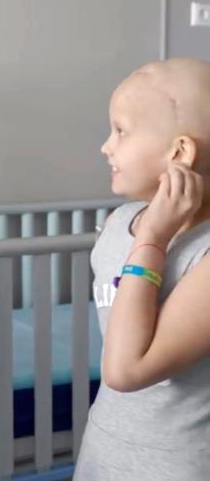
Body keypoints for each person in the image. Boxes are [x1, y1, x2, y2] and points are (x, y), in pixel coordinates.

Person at [74, 58, 210, 480]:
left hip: (176, 464)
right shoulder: (119, 223)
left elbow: (125, 370)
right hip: (103, 448)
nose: (106, 146)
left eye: (121, 131)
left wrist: (152, 238)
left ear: (179, 152)